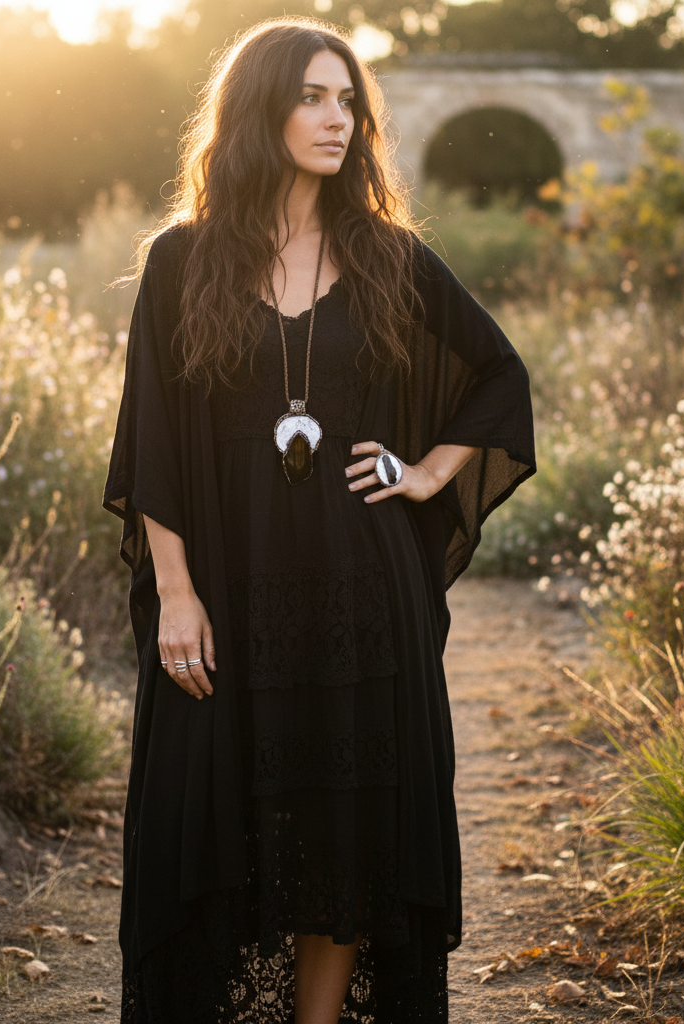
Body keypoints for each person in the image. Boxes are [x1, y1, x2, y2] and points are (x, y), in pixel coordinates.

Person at [104, 17, 535, 1024]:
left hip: (361, 590)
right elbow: (153, 436)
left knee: (348, 826)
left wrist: (427, 473)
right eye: (311, 96)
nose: (336, 119)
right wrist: (174, 590)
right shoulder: (180, 260)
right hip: (226, 580)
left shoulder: (387, 255)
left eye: (348, 101)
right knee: (208, 812)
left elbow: (497, 373)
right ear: (260, 110)